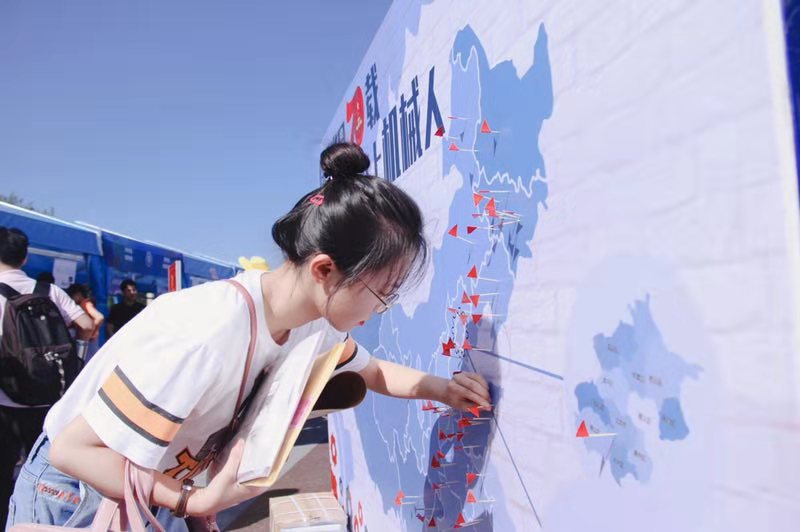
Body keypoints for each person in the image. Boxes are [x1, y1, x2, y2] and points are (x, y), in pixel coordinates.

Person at [6, 143, 492, 530]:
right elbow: (74, 450)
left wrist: (443, 390)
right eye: (382, 292)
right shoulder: (207, 332)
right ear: (325, 270)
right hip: (76, 493)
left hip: (145, 483)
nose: (381, 308)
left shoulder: (311, 321)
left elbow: (373, 371)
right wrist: (192, 500)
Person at [0, 227, 94, 526]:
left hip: (6, 400)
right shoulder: (49, 291)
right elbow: (87, 325)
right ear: (24, 257)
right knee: (43, 473)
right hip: (50, 400)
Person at [67, 283, 105, 362]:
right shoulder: (80, 306)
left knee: (89, 363)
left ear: (78, 294)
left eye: (72, 297)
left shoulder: (86, 303)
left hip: (89, 342)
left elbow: (99, 317)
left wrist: (91, 333)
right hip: (86, 341)